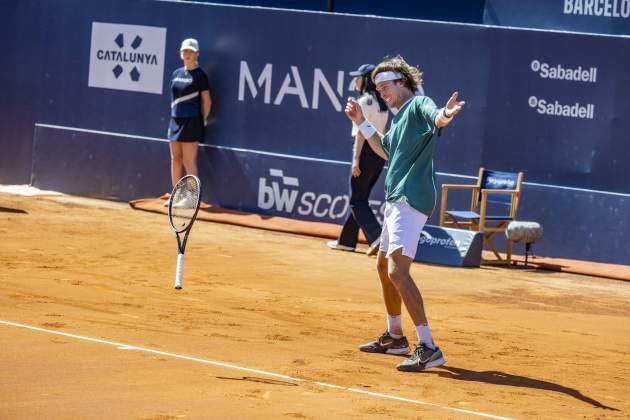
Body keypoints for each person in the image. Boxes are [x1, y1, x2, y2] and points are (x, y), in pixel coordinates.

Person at [344, 55, 465, 372]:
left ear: (402, 83)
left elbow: (435, 114)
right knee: (384, 267)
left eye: (385, 86)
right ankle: (396, 337)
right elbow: (385, 149)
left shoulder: (418, 105)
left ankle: (428, 346)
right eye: (378, 87)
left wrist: (444, 115)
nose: (381, 92)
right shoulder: (399, 120)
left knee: (397, 271)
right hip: (397, 198)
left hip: (411, 198)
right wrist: (362, 122)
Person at [327, 64, 388, 255]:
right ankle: (346, 241)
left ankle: (376, 236)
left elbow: (362, 133)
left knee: (356, 201)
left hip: (366, 154)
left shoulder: (362, 101)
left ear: (366, 79)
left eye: (358, 77)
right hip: (379, 156)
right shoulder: (382, 103)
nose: (355, 81)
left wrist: (356, 160)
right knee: (360, 198)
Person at [166, 38, 211, 205]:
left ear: (197, 54)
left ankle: (191, 198)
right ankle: (176, 196)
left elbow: (207, 102)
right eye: (185, 51)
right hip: (175, 120)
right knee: (175, 159)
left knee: (188, 161)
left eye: (191, 51)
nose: (187, 54)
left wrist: (203, 120)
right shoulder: (176, 73)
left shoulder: (201, 76)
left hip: (192, 122)